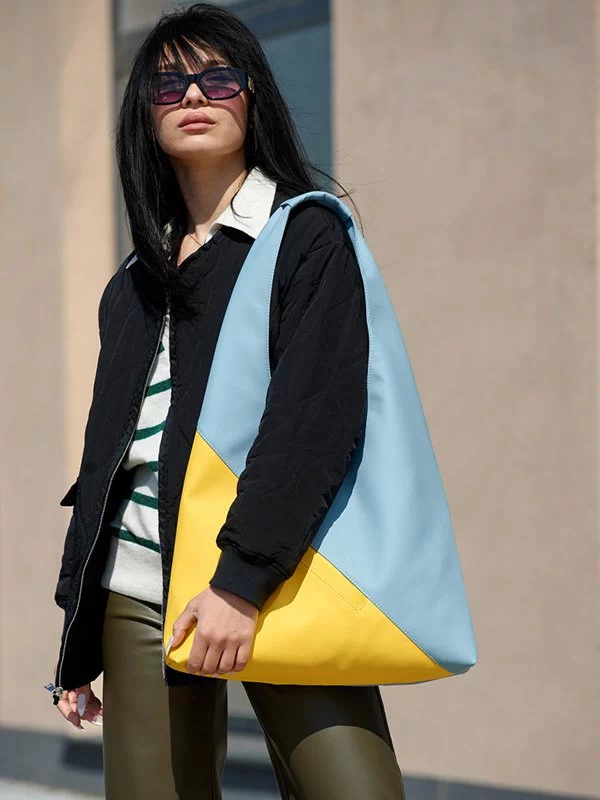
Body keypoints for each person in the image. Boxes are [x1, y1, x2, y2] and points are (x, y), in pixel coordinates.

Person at [47, 3, 406, 798]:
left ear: (252, 96)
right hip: (141, 587)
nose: (193, 96)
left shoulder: (305, 237)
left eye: (217, 78)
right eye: (167, 84)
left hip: (284, 574)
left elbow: (313, 421)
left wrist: (241, 582)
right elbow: (107, 461)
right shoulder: (132, 285)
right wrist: (77, 633)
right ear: (144, 116)